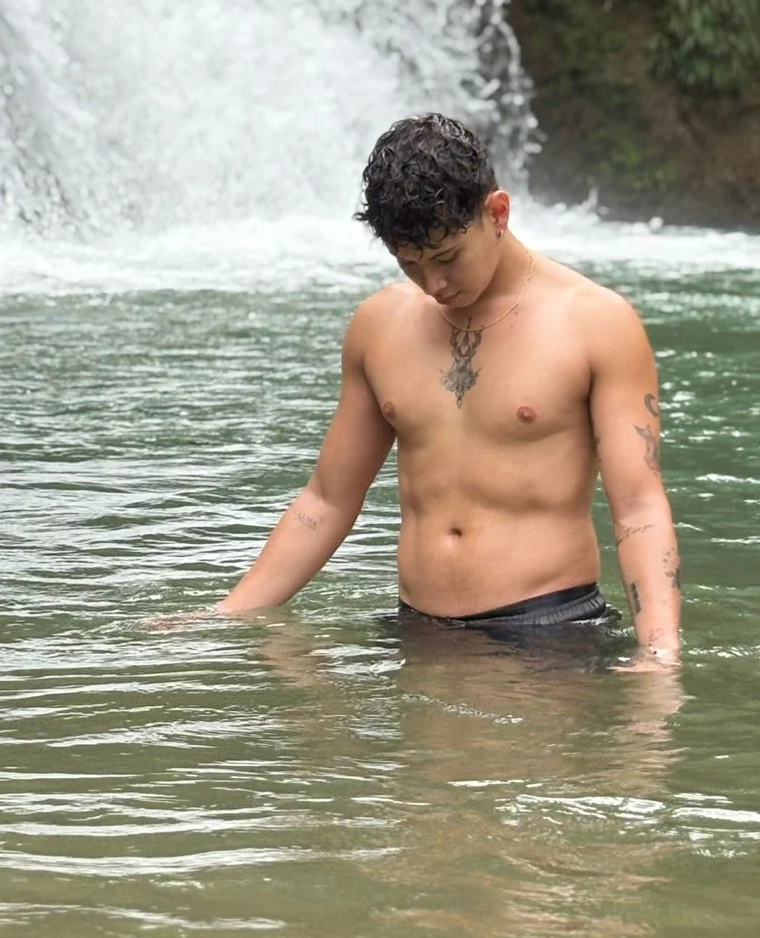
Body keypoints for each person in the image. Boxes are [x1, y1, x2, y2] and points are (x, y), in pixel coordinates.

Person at [215, 114, 681, 672]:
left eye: (447, 258)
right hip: (416, 629)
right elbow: (327, 501)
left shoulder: (595, 322)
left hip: (545, 629)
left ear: (498, 214)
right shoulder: (379, 325)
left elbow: (638, 506)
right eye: (410, 264)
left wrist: (659, 651)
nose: (434, 285)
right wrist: (225, 616)